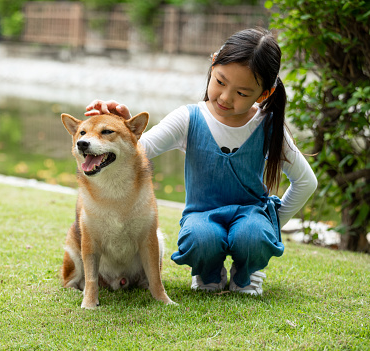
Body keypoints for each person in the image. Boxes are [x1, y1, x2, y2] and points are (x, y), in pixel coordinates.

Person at [84, 28, 317, 296]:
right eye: (220, 81)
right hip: (202, 216)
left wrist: (272, 223)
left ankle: (247, 273)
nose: (225, 97)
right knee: (200, 237)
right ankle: (208, 273)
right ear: (213, 62)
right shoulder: (189, 118)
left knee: (253, 234)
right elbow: (140, 149)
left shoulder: (268, 126)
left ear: (264, 94)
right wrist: (122, 126)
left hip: (251, 214)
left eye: (242, 93)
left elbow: (306, 182)